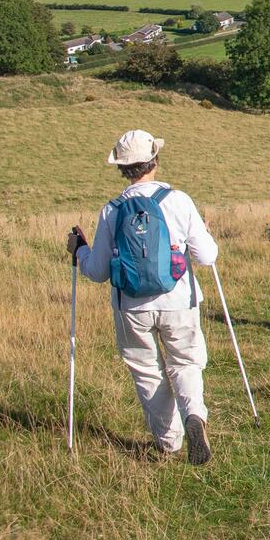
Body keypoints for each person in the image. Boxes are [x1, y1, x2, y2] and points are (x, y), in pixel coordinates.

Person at [66, 129, 218, 466]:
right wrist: (204, 232)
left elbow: (98, 272)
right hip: (178, 299)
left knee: (148, 371)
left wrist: (81, 251)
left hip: (131, 305)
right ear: (155, 161)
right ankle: (194, 415)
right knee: (186, 363)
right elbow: (207, 256)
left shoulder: (112, 210)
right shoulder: (179, 200)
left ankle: (169, 442)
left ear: (122, 168)